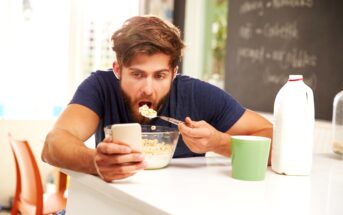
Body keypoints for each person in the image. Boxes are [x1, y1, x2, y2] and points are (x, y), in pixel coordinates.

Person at [41, 15, 272, 182]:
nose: (148, 89)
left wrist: (218, 142)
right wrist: (96, 162)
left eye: (160, 76)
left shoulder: (197, 94)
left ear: (173, 73)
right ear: (118, 70)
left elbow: (273, 141)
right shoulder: (100, 87)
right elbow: (53, 145)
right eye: (137, 74)